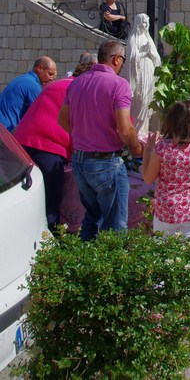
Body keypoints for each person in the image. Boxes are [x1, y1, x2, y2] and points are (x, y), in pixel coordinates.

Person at [58, 40, 143, 241]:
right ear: (115, 59)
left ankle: (86, 260)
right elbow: (125, 128)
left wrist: (83, 134)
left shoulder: (77, 82)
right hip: (106, 161)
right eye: (122, 59)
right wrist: (136, 147)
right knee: (115, 223)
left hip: (80, 159)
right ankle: (111, 268)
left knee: (92, 216)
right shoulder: (119, 84)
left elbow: (62, 119)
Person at [14, 58, 94, 231]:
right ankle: (50, 238)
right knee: (50, 199)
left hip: (22, 141)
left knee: (26, 193)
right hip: (48, 146)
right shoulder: (79, 89)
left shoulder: (59, 84)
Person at [142, 99, 190, 243]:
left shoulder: (162, 149)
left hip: (166, 210)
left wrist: (148, 151)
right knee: (186, 256)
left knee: (161, 253)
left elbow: (148, 179)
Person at [123, 13, 161, 140]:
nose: (145, 25)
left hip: (149, 73)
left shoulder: (148, 39)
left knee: (149, 101)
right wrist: (144, 53)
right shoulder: (133, 39)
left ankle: (146, 131)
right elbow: (132, 58)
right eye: (143, 22)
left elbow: (157, 59)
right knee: (142, 101)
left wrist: (151, 53)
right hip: (140, 75)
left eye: (146, 23)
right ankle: (138, 133)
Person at [0, 56, 57, 132]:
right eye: (50, 74)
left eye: (54, 77)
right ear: (39, 68)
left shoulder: (23, 79)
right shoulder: (33, 86)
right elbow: (41, 115)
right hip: (6, 132)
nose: (51, 79)